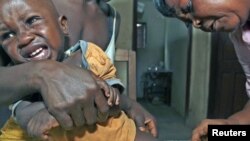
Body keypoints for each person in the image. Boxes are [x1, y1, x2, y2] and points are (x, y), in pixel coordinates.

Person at [0, 0, 158, 141]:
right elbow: (22, 111)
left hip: (100, 127)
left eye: (32, 21)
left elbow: (109, 90)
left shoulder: (111, 18)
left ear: (63, 24)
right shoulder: (25, 6)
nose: (24, 38)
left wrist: (129, 105)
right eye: (9, 35)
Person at [153, 0, 250, 140]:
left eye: (189, 8)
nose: (196, 24)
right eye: (187, 22)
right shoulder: (240, 38)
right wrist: (231, 125)